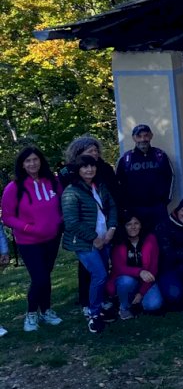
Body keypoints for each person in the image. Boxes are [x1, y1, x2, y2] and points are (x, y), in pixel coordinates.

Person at [2, 146, 64, 331]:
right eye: (28, 160)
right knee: (39, 278)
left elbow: (63, 203)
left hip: (52, 239)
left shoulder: (53, 181)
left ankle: (46, 311)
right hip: (29, 242)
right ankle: (30, 315)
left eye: (35, 159)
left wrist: (60, 222)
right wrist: (28, 227)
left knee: (46, 276)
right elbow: (7, 216)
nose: (32, 163)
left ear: (41, 161)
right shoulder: (14, 188)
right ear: (22, 164)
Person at [59, 135, 120, 315]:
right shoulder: (70, 182)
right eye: (89, 152)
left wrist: (112, 228)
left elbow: (111, 202)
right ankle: (90, 306)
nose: (90, 167)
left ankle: (99, 301)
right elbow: (71, 219)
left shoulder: (101, 177)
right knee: (96, 273)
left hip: (104, 231)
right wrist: (93, 238)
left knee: (101, 272)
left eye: (95, 151)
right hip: (86, 237)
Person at [115, 124, 174, 230]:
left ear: (151, 136)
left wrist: (166, 200)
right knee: (141, 239)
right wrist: (124, 205)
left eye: (146, 135)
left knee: (163, 237)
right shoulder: (126, 159)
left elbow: (171, 177)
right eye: (139, 136)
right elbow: (117, 183)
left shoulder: (160, 155)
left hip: (158, 207)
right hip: (135, 209)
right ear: (134, 138)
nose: (143, 139)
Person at [108, 213, 163, 318]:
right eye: (129, 224)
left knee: (154, 305)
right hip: (126, 280)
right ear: (124, 226)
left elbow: (154, 267)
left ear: (141, 225)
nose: (133, 227)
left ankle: (134, 301)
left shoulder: (150, 239)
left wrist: (141, 293)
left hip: (146, 281)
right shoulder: (119, 241)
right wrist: (140, 272)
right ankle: (124, 307)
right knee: (126, 281)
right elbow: (118, 267)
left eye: (136, 223)